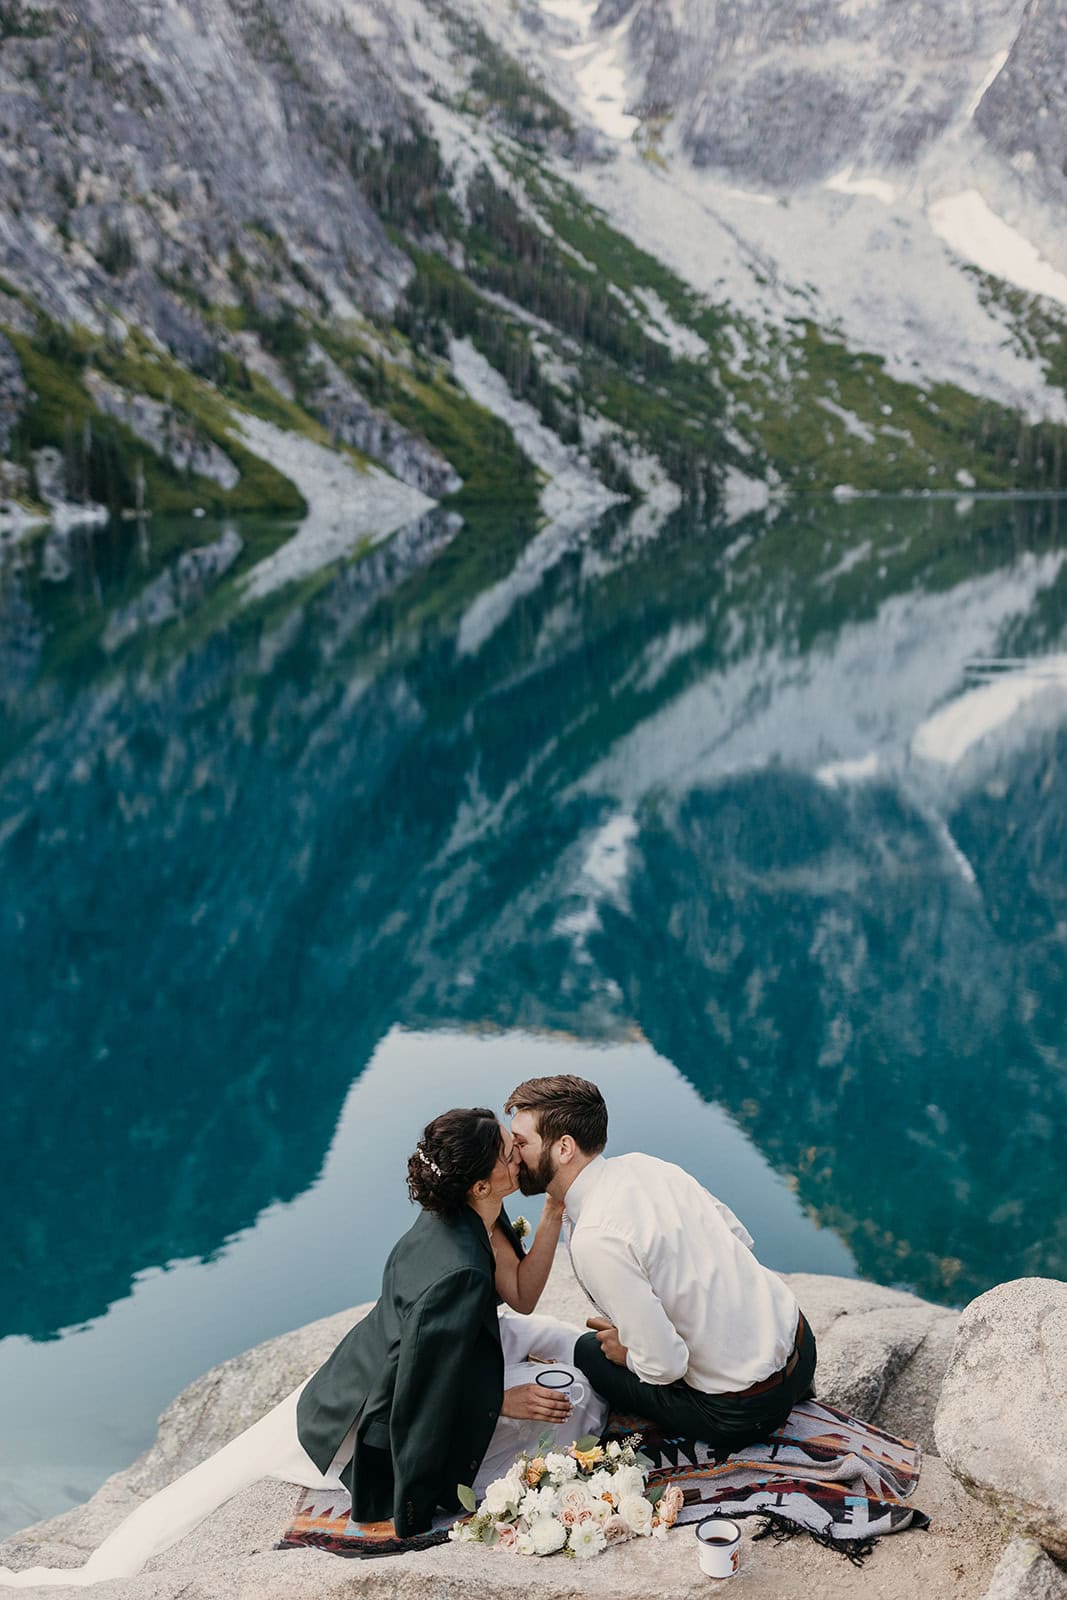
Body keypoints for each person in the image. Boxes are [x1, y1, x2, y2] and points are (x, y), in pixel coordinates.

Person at [0, 1109, 605, 1588]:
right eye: (508, 1151)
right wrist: (504, 1402)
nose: (518, 1155)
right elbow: (424, 1386)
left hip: (362, 1365)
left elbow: (515, 1300)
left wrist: (552, 1208)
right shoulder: (460, 1275)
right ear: (482, 1183)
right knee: (575, 1405)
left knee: (553, 1350)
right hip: (373, 1401)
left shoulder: (459, 1216)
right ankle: (94, 1580)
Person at [506, 1075, 816, 1453]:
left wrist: (629, 1353)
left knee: (590, 1350)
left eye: (521, 1143)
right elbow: (739, 1240)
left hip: (745, 1410)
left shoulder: (596, 1237)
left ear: (564, 1148)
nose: (512, 1153)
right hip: (802, 1349)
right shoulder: (646, 1165)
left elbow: (666, 1368)